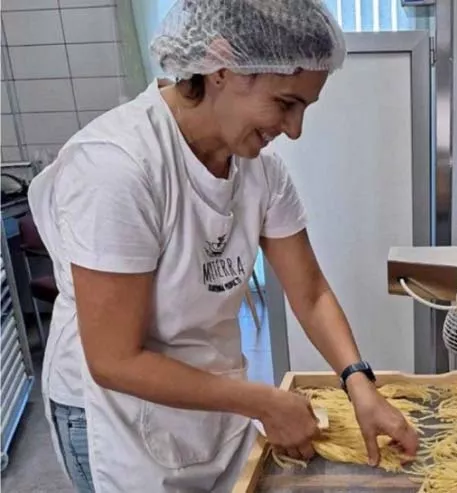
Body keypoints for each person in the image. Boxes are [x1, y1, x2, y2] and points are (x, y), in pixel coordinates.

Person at [26, 1, 419, 491]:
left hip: (211, 391)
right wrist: (261, 402)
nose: (294, 130)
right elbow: (113, 360)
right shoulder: (119, 169)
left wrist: (359, 383)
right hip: (115, 413)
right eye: (285, 103)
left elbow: (311, 291)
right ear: (221, 68)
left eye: (304, 108)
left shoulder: (260, 170)